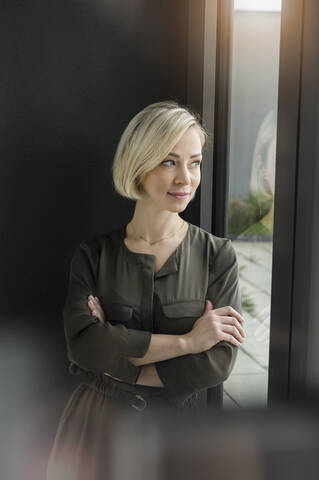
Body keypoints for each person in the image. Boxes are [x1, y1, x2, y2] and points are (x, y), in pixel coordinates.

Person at [46, 100, 245, 479]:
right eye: (169, 161)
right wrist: (187, 342)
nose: (186, 178)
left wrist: (116, 356)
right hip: (97, 430)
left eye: (195, 161)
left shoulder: (218, 255)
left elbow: (216, 363)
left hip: (180, 437)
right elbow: (83, 346)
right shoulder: (94, 255)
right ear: (138, 164)